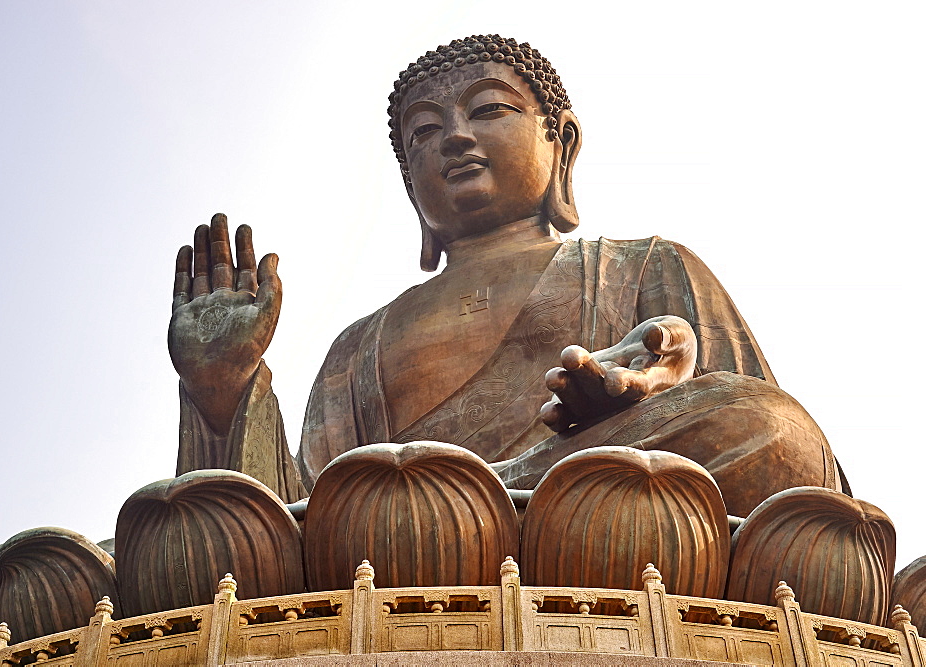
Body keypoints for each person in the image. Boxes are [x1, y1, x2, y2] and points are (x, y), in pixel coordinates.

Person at [167, 35, 841, 517]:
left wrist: (648, 391)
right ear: (411, 187)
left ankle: (478, 501)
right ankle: (472, 502)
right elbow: (291, 511)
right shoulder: (358, 345)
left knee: (771, 428)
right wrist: (222, 386)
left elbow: (786, 474)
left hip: (592, 502)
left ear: (562, 143)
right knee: (143, 533)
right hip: (390, 534)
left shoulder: (643, 263)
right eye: (424, 134)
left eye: (488, 110)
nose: (455, 137)